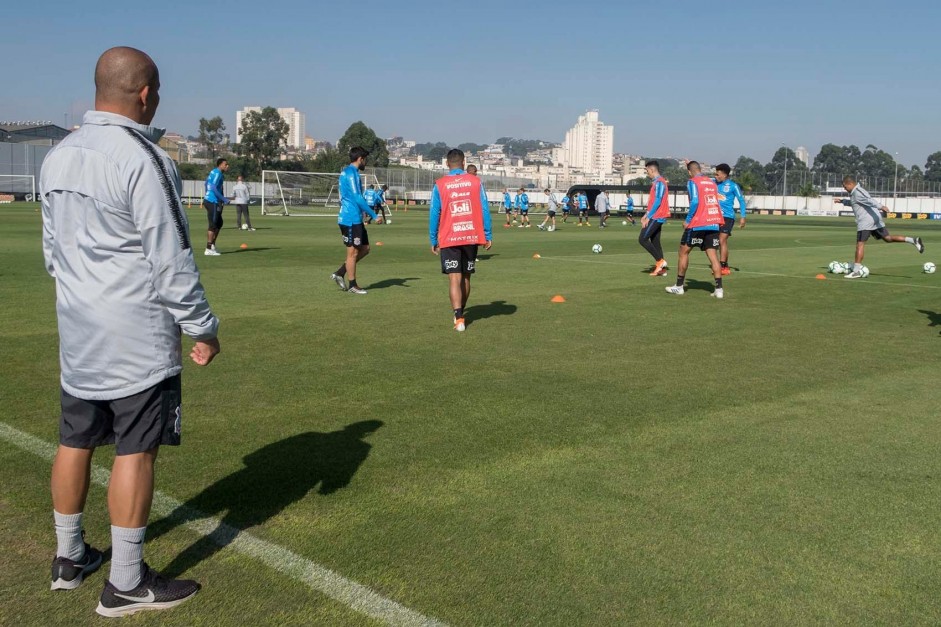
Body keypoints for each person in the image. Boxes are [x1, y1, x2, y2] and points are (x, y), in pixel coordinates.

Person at [40, 46, 219, 618]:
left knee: (75, 438)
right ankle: (125, 580)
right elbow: (171, 256)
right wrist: (202, 326)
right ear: (146, 94)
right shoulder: (144, 158)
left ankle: (69, 559)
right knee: (136, 449)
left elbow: (52, 252)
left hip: (78, 328)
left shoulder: (59, 154)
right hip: (135, 334)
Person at [429, 149, 492, 332]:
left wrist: (433, 238)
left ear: (447, 164)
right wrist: (487, 234)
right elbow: (484, 209)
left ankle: (458, 317)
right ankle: (461, 312)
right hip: (471, 235)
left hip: (449, 236)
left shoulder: (440, 184)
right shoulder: (476, 182)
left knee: (454, 278)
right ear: (464, 163)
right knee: (466, 276)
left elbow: (434, 213)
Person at [834, 175, 924, 278]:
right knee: (888, 238)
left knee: (860, 244)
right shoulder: (854, 193)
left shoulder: (858, 191)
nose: (845, 189)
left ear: (850, 184)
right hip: (874, 219)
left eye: (845, 187)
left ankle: (856, 271)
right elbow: (855, 203)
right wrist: (842, 201)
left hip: (867, 221)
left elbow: (869, 200)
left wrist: (881, 206)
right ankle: (913, 240)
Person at [665, 161, 724, 298]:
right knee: (713, 257)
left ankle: (679, 286)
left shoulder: (692, 182)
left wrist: (688, 220)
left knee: (683, 252)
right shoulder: (711, 182)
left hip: (698, 223)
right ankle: (719, 289)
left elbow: (695, 201)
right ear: (700, 169)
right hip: (713, 222)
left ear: (689, 172)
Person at [330, 147, 378, 294]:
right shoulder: (351, 174)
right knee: (352, 254)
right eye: (365, 159)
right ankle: (352, 285)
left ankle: (339, 273)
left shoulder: (348, 172)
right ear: (360, 159)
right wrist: (374, 215)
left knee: (365, 249)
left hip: (354, 217)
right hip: (350, 219)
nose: (366, 162)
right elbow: (357, 198)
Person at [713, 163, 747, 275]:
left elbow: (741, 200)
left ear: (725, 174)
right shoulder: (713, 183)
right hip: (715, 217)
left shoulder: (733, 186)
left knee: (721, 240)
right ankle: (725, 266)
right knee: (720, 242)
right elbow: (700, 179)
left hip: (727, 217)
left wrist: (743, 217)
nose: (716, 176)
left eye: (718, 174)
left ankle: (723, 267)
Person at [640, 160, 670, 276]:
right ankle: (661, 270)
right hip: (655, 215)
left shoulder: (660, 182)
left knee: (642, 239)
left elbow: (658, 201)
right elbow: (652, 202)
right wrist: (645, 215)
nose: (647, 173)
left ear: (652, 170)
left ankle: (660, 261)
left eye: (647, 170)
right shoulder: (656, 183)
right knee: (655, 242)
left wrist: (649, 217)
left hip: (657, 216)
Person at [203, 158, 229, 255]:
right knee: (213, 224)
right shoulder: (218, 173)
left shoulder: (213, 172)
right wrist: (224, 199)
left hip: (211, 200)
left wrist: (207, 193)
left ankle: (212, 245)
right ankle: (208, 248)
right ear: (220, 165)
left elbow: (206, 183)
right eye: (225, 164)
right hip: (212, 201)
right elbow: (213, 187)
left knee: (219, 223)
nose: (227, 166)